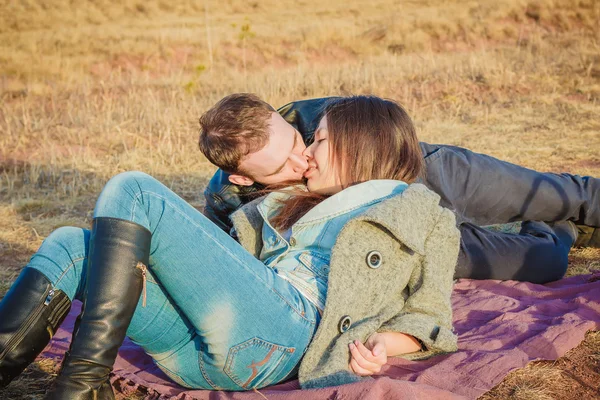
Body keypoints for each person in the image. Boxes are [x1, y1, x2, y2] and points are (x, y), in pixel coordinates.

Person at [0, 95, 460, 398]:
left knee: (134, 189)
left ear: (358, 144)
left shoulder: (420, 211)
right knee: (72, 245)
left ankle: (81, 384)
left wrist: (386, 343)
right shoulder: (288, 199)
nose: (308, 155)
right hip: (198, 354)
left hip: (286, 334)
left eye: (317, 140)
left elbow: (433, 315)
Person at [201, 94, 600, 283]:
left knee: (569, 195)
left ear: (280, 117)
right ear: (243, 179)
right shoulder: (228, 206)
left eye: (297, 143)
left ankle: (562, 213)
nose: (301, 161)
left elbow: (384, 128)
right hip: (397, 233)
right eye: (281, 167)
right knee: (546, 262)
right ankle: (559, 228)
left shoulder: (312, 115)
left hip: (424, 173)